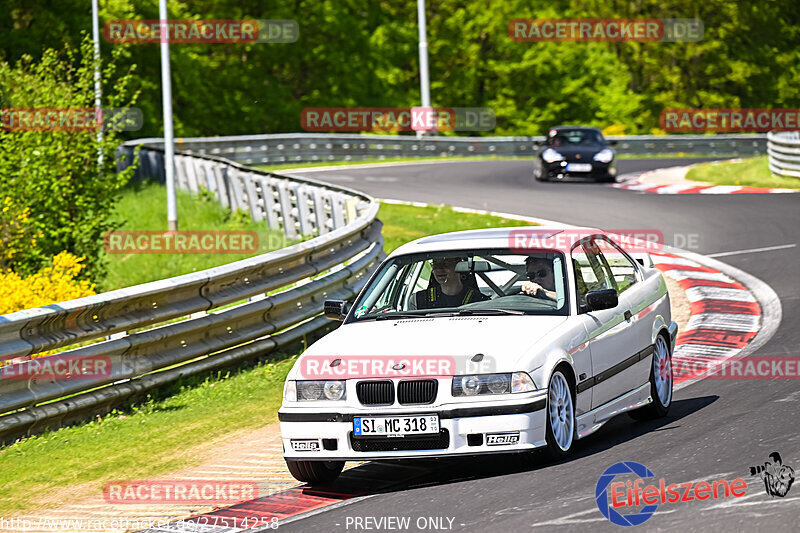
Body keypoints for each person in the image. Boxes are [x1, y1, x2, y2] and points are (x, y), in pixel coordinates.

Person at [414, 257, 488, 309]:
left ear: (459, 265)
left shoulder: (482, 302)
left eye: (445, 264)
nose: (439, 269)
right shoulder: (417, 300)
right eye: (435, 265)